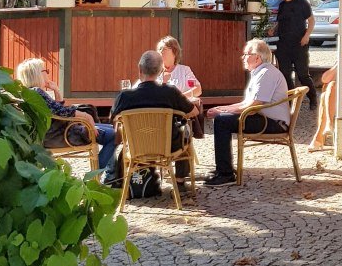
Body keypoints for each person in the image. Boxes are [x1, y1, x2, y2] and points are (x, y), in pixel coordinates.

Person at [204, 39, 291, 186]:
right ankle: (224, 168)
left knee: (222, 121)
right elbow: (246, 104)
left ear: (257, 57)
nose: (242, 57)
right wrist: (222, 109)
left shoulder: (266, 73)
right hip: (264, 118)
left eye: (246, 54)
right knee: (222, 118)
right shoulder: (260, 72)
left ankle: (226, 174)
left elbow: (254, 105)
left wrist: (222, 111)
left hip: (274, 123)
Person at [110, 51, 200, 188]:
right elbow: (194, 112)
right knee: (185, 133)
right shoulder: (171, 92)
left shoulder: (124, 96)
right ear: (161, 70)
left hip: (136, 146)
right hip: (168, 146)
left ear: (140, 69)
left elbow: (114, 119)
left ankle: (121, 180)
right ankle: (180, 182)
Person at [15, 58, 116, 176]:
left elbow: (56, 111)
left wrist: (56, 91)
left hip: (55, 133)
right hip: (63, 135)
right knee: (115, 135)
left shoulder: (29, 92)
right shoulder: (37, 92)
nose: (47, 74)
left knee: (113, 130)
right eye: (45, 71)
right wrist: (86, 116)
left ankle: (109, 173)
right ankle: (96, 175)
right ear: (37, 74)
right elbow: (61, 112)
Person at [269, 0, 318, 110]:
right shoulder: (282, 5)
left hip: (299, 43)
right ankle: (290, 101)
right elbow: (280, 22)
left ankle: (313, 98)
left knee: (302, 74)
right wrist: (273, 29)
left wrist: (307, 36)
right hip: (283, 44)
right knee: (285, 74)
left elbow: (311, 20)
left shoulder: (302, 2)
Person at [157, 36, 205, 139]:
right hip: (159, 115)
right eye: (159, 49)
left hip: (180, 115)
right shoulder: (154, 72)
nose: (160, 52)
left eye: (164, 49)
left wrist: (180, 97)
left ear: (174, 51)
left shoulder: (184, 70)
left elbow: (198, 89)